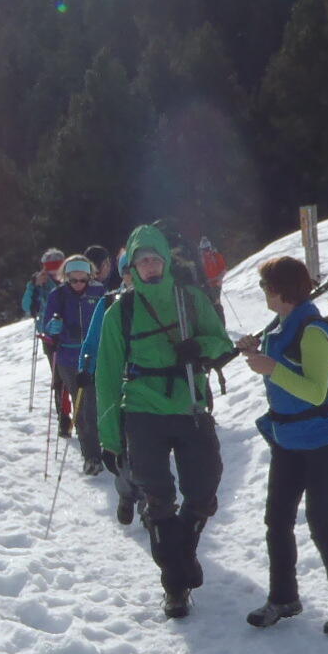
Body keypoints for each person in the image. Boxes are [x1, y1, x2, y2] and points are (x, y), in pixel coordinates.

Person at [95, 222, 234, 618]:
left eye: (155, 259)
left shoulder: (190, 299)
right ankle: (175, 585)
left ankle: (182, 554)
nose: (150, 266)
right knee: (158, 500)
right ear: (132, 268)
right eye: (142, 261)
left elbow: (222, 343)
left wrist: (200, 347)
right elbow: (107, 377)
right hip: (143, 412)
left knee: (203, 491)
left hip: (190, 406)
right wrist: (110, 440)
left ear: (166, 261)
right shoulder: (120, 313)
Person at [237, 256, 328, 636]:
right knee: (277, 520)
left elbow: (316, 391)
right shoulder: (281, 326)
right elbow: (283, 370)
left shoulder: (313, 331)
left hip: (324, 441)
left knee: (322, 522)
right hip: (288, 440)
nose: (263, 292)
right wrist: (256, 354)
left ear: (281, 291)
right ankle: (283, 598)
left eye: (265, 286)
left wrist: (271, 368)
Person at [80, 253, 140, 527]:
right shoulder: (110, 303)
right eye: (127, 269)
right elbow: (93, 340)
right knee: (124, 450)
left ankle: (151, 506)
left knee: (150, 453)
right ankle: (127, 494)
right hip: (120, 388)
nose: (132, 274)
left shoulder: (165, 302)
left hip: (152, 390)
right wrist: (85, 367)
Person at [41, 255, 106, 471]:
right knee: (82, 405)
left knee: (95, 404)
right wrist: (53, 328)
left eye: (83, 280)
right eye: (73, 280)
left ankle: (106, 447)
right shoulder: (58, 295)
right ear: (66, 277)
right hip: (68, 357)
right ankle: (91, 456)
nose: (78, 284)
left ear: (90, 276)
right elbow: (46, 325)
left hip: (95, 355)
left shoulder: (99, 293)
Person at [198, 237, 228, 306]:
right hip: (207, 284)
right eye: (204, 249)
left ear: (210, 247)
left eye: (208, 248)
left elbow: (223, 269)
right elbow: (199, 272)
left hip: (216, 283)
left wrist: (220, 279)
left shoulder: (216, 256)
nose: (207, 251)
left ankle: (219, 311)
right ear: (202, 249)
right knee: (209, 303)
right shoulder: (200, 259)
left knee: (216, 301)